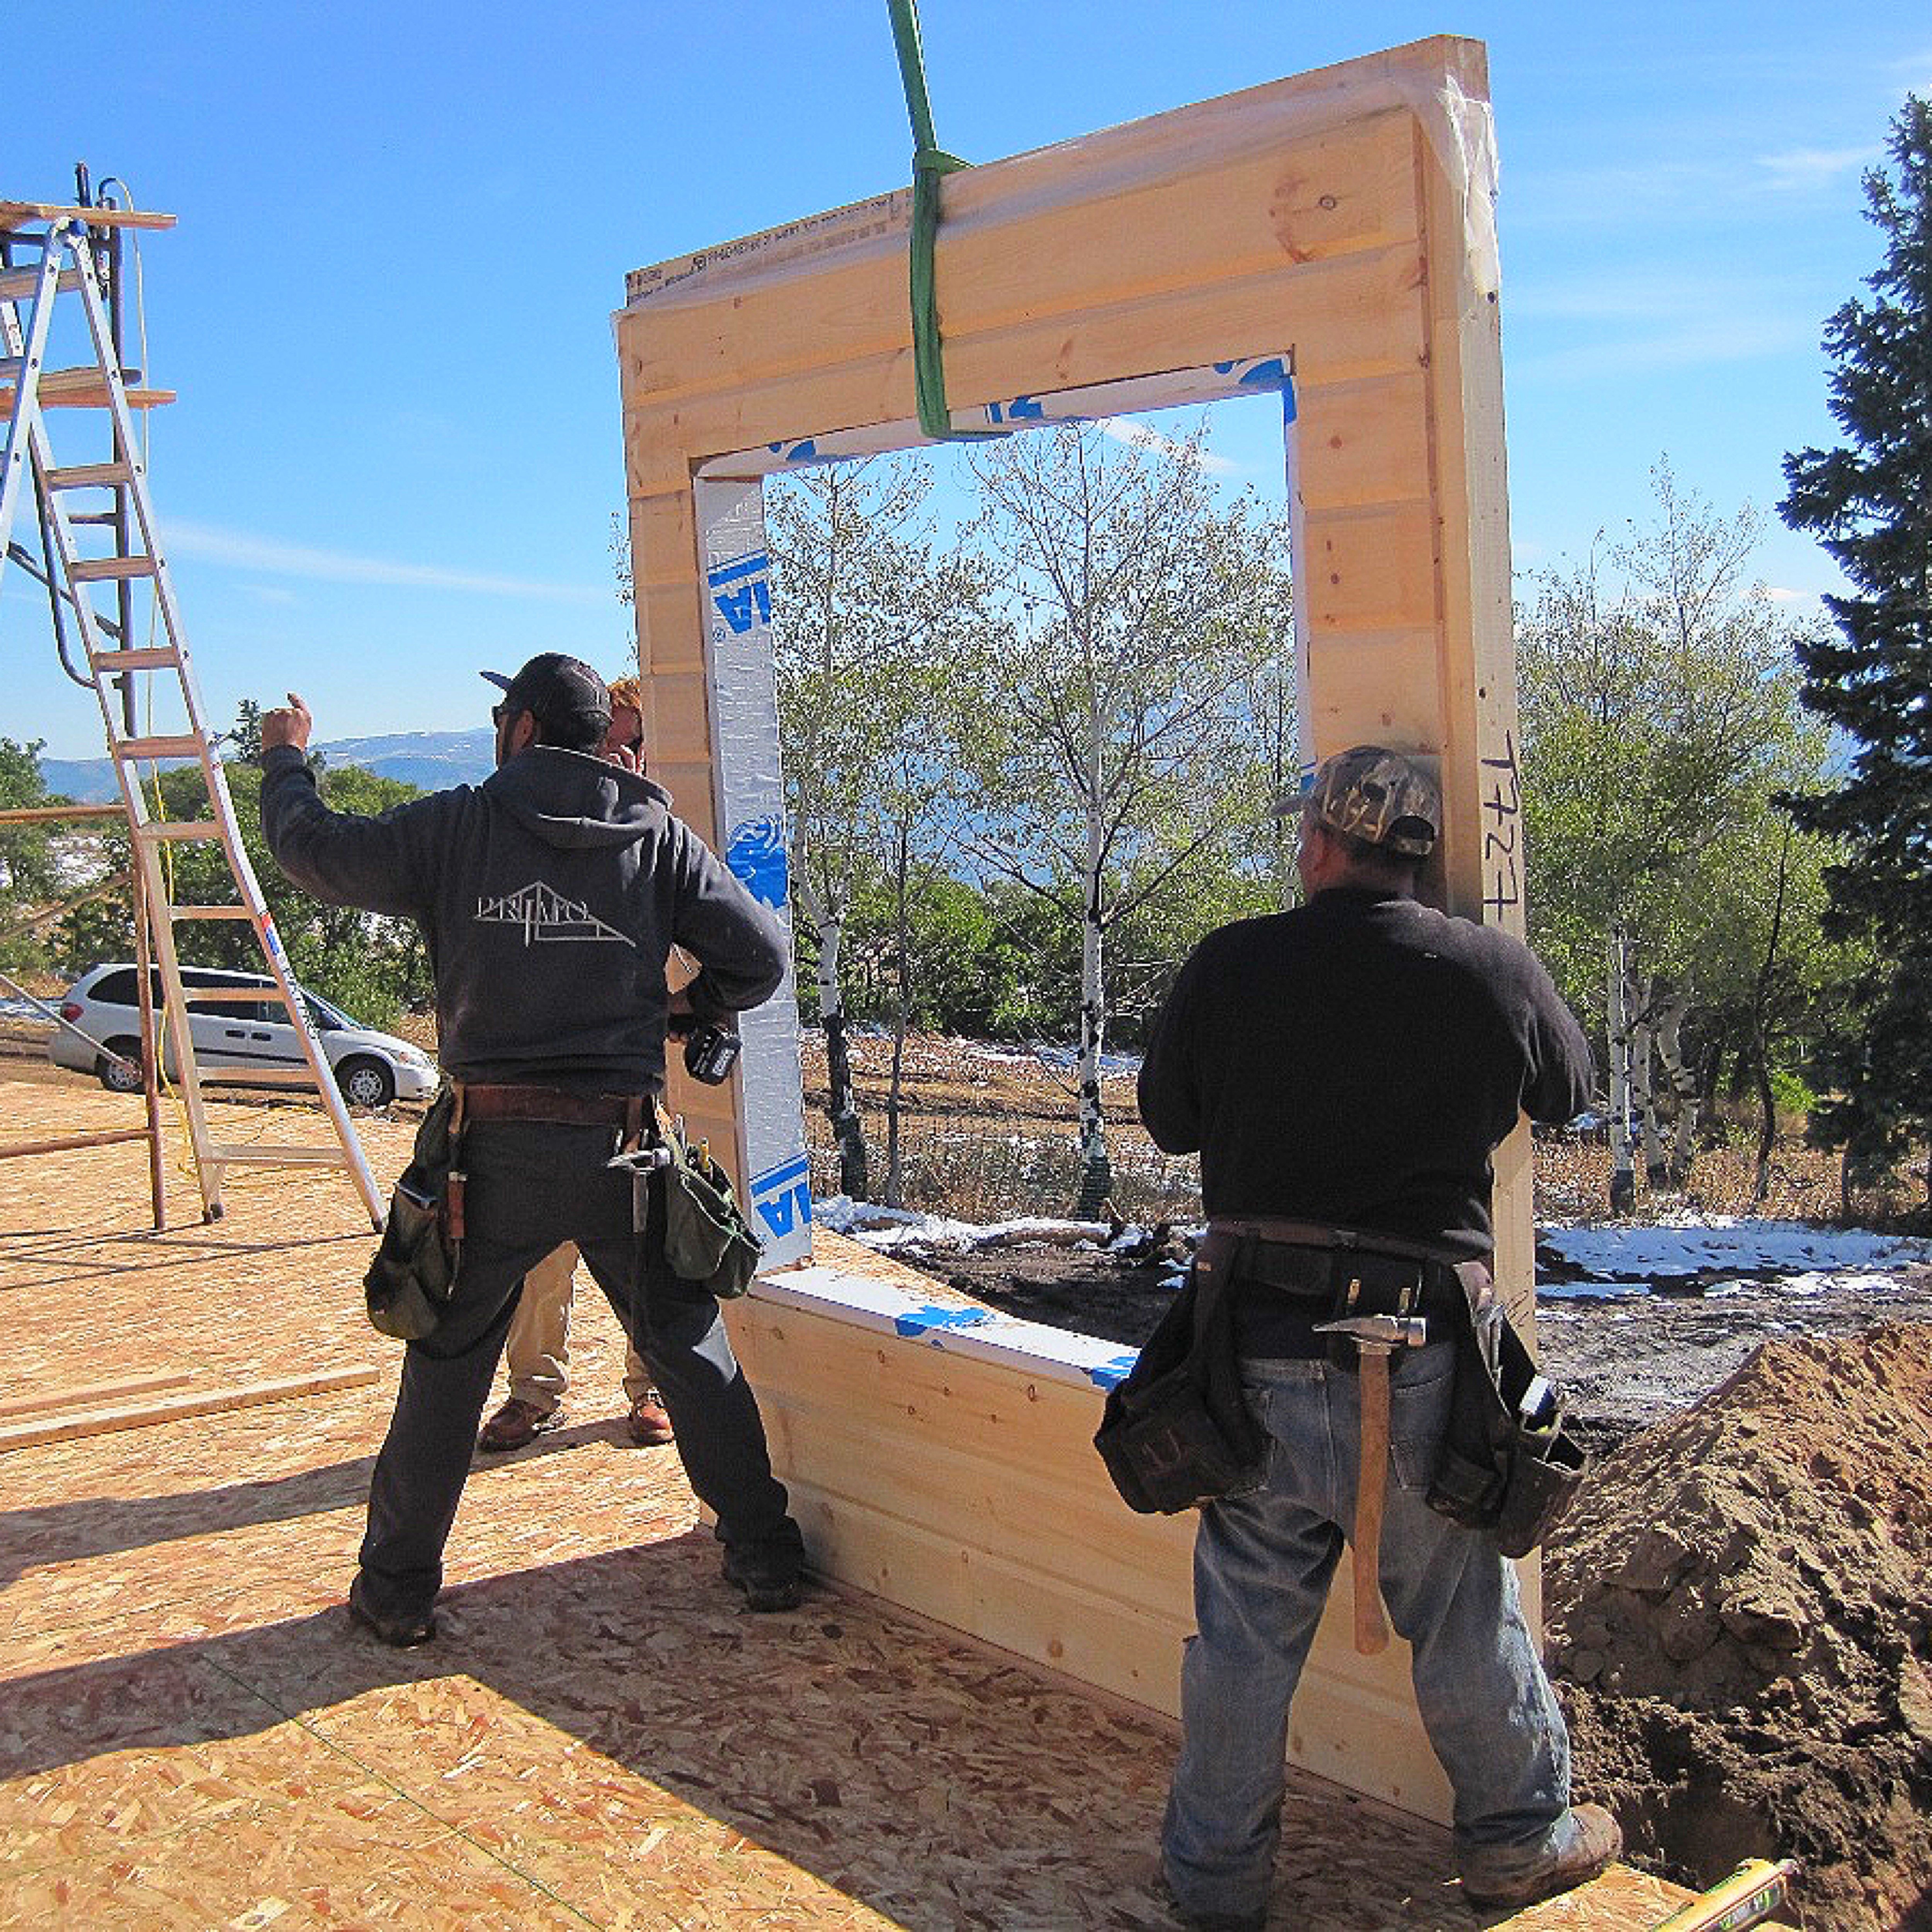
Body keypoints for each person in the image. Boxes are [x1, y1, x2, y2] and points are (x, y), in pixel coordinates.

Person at [1137, 745, 1618, 1925]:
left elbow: (1165, 1123)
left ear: (1317, 846)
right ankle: (1519, 1838)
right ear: (1417, 856)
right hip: (1425, 1358)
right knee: (1458, 1603)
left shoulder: (1235, 961)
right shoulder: (1488, 969)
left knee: (1245, 1631)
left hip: (1254, 1349)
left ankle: (1215, 1886)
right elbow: (1571, 1091)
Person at [258, 652, 806, 1643]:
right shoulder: (657, 836)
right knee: (686, 1349)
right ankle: (765, 1557)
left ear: (518, 729)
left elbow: (315, 855)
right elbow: (761, 958)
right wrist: (686, 1006)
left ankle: (395, 1594)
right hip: (624, 1156)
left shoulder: (459, 823)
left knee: (449, 1366)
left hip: (489, 1162)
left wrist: (287, 763)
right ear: (603, 739)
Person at [476, 674, 673, 1454]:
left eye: (628, 742)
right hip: (553, 1082)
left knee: (650, 1240)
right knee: (542, 1250)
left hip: (642, 1081)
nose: (614, 755)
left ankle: (651, 1386)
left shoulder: (661, 835)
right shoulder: (553, 830)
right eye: (606, 741)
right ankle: (535, 1394)